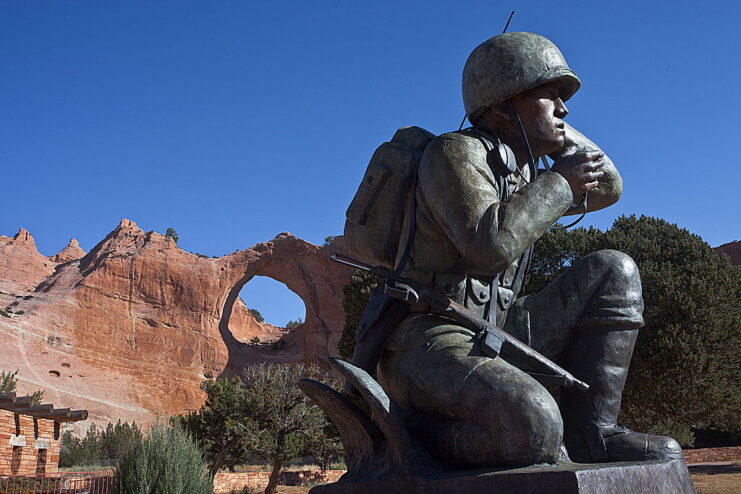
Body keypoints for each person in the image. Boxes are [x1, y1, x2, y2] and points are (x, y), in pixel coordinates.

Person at [374, 32, 682, 467]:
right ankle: (402, 431)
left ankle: (593, 434)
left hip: (502, 328)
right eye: (550, 96)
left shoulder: (523, 169)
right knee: (533, 427)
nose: (565, 109)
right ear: (502, 105)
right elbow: (489, 246)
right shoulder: (454, 153)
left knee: (616, 269)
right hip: (431, 340)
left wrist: (551, 130)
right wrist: (560, 181)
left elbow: (610, 187)